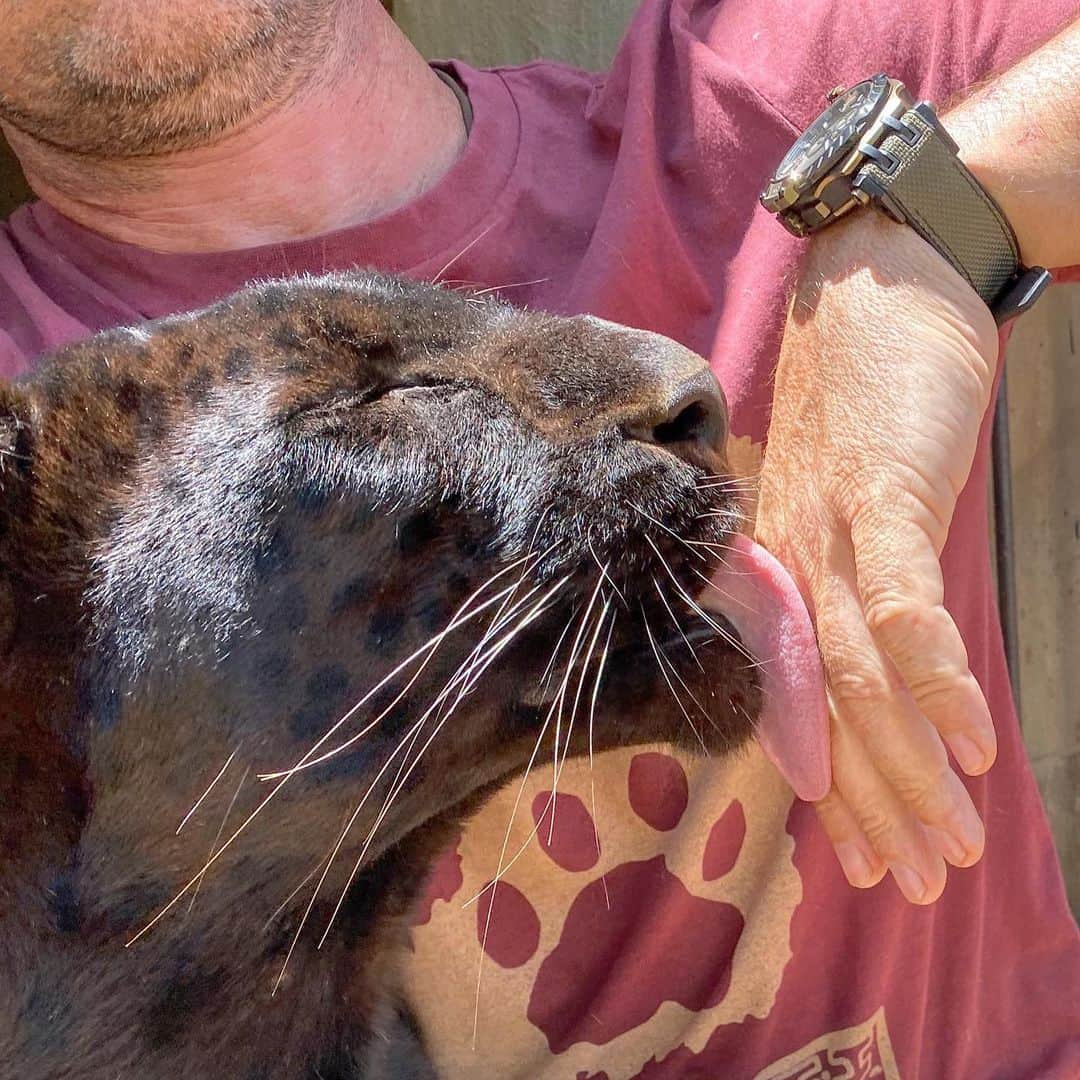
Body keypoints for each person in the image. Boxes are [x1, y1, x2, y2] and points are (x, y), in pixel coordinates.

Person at [1, 0, 1077, 1075]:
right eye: (369, 413)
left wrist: (934, 208)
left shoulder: (773, 82)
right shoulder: (42, 454)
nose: (675, 381)